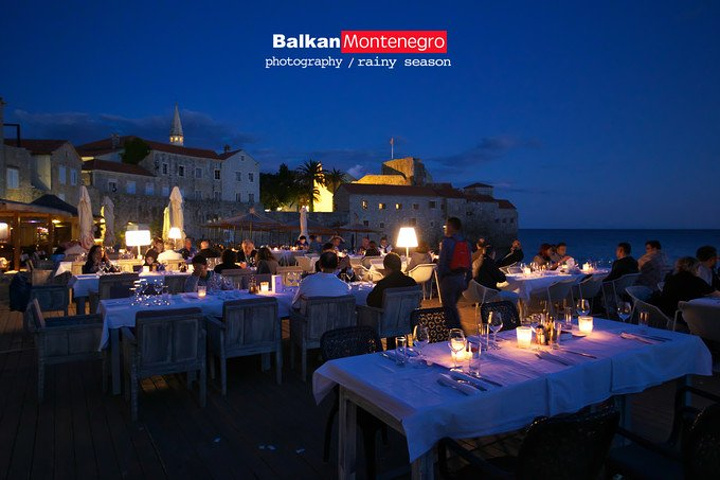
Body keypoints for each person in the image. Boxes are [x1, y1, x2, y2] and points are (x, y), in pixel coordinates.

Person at [437, 217, 472, 329]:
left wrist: (440, 279)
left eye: (447, 226)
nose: (445, 228)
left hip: (449, 279)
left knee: (449, 308)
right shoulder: (466, 242)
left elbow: (442, 263)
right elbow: (469, 263)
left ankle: (456, 331)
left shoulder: (447, 242)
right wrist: (467, 281)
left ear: (451, 227)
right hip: (461, 279)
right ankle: (456, 330)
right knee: (452, 306)